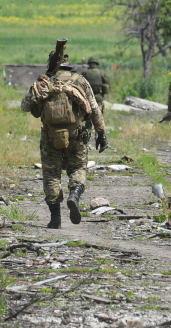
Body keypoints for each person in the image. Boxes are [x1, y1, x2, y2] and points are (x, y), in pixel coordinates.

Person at [21, 51, 107, 229]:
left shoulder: (42, 83)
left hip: (50, 138)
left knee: (51, 176)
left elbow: (25, 106)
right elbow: (94, 109)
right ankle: (74, 194)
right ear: (67, 63)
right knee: (77, 168)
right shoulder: (80, 81)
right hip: (76, 135)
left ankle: (55, 219)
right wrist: (101, 133)